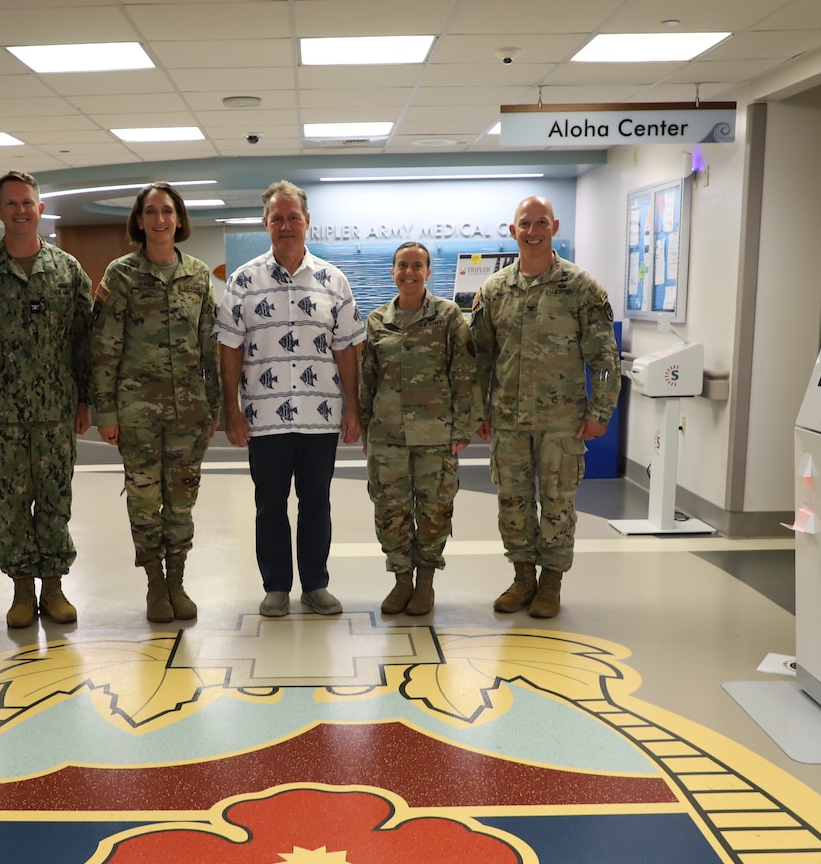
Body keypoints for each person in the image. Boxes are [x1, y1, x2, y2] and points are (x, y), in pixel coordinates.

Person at [0, 171, 93, 629]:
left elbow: (84, 343)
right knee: (10, 505)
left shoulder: (67, 271)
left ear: (40, 208)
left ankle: (54, 587)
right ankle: (22, 592)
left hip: (55, 415)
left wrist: (85, 400)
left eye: (27, 202)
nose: (20, 210)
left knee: (54, 503)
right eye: (11, 204)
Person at [215, 180, 363, 618]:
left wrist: (353, 407)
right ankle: (276, 586)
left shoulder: (333, 281)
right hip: (265, 417)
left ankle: (315, 584)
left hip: (321, 417)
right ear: (265, 224)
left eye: (292, 217)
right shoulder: (244, 282)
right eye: (276, 218)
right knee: (270, 504)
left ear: (307, 222)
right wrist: (231, 410)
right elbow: (229, 347)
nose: (285, 225)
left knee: (317, 504)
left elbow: (347, 348)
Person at [471, 195, 621, 619]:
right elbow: (480, 357)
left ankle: (551, 582)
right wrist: (478, 411)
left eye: (541, 223)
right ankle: (523, 579)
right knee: (512, 503)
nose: (532, 231)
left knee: (558, 504)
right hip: (507, 420)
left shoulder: (581, 287)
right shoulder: (495, 290)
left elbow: (604, 359)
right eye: (525, 223)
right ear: (513, 230)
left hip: (563, 422)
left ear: (554, 228)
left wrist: (600, 411)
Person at [90, 183, 221, 623]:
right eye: (151, 212)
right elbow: (104, 347)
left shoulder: (199, 275)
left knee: (181, 501)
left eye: (168, 211)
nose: (160, 219)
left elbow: (210, 346)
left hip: (189, 413)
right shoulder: (121, 274)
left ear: (179, 220)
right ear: (140, 221)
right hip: (136, 415)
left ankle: (177, 582)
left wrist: (214, 405)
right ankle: (154, 586)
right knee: (145, 502)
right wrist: (105, 413)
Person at [358, 242, 476, 616]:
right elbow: (368, 381)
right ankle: (401, 581)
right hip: (387, 435)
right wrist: (366, 432)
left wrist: (462, 430)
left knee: (434, 509)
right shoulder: (377, 320)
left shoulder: (448, 316)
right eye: (402, 266)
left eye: (417, 266)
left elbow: (463, 375)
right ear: (393, 272)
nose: (409, 272)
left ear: (428, 272)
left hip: (436, 435)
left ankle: (425, 582)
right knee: (390, 511)